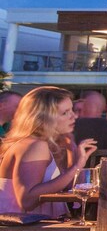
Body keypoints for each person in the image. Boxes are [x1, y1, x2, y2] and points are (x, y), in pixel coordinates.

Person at [0, 86, 97, 218]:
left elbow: (64, 185)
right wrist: (76, 167)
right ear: (44, 117)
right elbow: (27, 200)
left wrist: (73, 151)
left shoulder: (39, 142)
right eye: (65, 113)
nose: (74, 116)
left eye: (72, 110)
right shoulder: (35, 146)